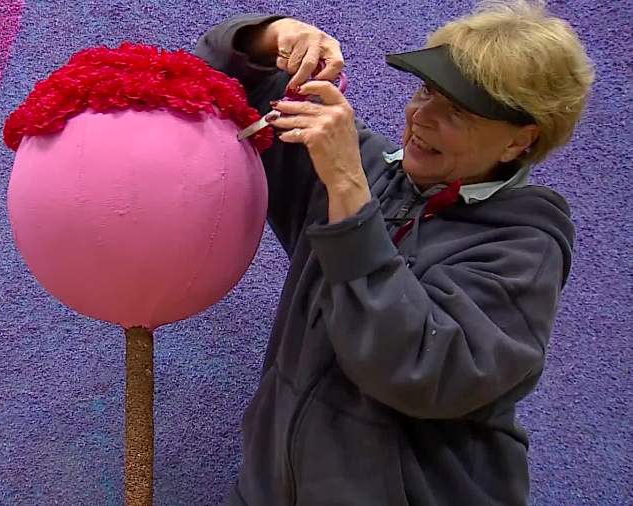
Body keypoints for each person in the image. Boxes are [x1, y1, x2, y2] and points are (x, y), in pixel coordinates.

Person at [194, 1, 594, 504]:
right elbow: (217, 84)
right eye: (427, 90)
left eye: (457, 112)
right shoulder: (368, 174)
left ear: (520, 141)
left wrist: (346, 188)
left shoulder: (523, 246)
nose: (421, 116)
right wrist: (272, 37)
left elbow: (416, 369)